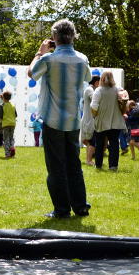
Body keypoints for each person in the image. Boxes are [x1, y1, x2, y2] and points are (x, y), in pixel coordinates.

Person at [28, 18, 92, 218]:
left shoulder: (48, 59)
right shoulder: (83, 59)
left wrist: (40, 52)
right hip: (73, 120)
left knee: (56, 167)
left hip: (53, 119)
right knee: (74, 164)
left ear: (55, 37)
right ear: (73, 36)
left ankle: (62, 209)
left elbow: (32, 73)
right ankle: (80, 206)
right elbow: (88, 78)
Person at [91, 70, 127, 171]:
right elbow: (125, 100)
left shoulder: (98, 90)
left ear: (101, 78)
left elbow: (94, 107)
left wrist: (94, 116)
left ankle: (98, 165)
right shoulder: (118, 90)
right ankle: (113, 166)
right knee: (114, 144)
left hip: (101, 121)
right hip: (116, 121)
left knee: (100, 144)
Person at [81, 76, 98, 165]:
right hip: (90, 120)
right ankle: (89, 160)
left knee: (89, 140)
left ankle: (89, 159)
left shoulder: (89, 89)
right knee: (92, 140)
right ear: (96, 82)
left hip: (88, 119)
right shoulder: (90, 90)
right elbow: (94, 100)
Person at [0, 90, 18, 157]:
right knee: (11, 138)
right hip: (13, 124)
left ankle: (7, 153)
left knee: (6, 139)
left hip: (6, 124)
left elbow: (0, 116)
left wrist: (0, 121)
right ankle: (12, 148)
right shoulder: (13, 105)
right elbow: (16, 115)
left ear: (3, 97)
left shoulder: (2, 105)